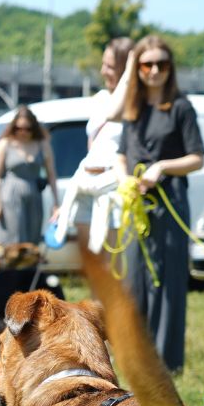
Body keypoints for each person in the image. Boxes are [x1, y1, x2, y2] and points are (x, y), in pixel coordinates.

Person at [115, 34, 204, 374]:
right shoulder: (133, 108)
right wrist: (125, 178)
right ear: (137, 68)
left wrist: (162, 168)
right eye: (147, 64)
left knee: (167, 282)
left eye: (161, 64)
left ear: (170, 68)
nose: (154, 71)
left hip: (170, 203)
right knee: (134, 279)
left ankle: (166, 363)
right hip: (137, 206)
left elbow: (198, 158)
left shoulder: (181, 107)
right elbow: (122, 154)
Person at [50, 38, 135, 251]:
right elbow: (92, 147)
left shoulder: (135, 104)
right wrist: (64, 208)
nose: (103, 70)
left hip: (112, 190)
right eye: (103, 64)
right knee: (90, 262)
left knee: (111, 260)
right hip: (86, 182)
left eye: (110, 66)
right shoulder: (100, 98)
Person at [0, 105, 57, 245]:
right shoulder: (5, 143)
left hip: (34, 195)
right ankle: (10, 267)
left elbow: (51, 174)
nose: (23, 132)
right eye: (19, 128)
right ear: (14, 127)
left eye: (27, 129)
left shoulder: (42, 144)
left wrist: (55, 203)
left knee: (32, 236)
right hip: (10, 195)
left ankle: (30, 267)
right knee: (13, 237)